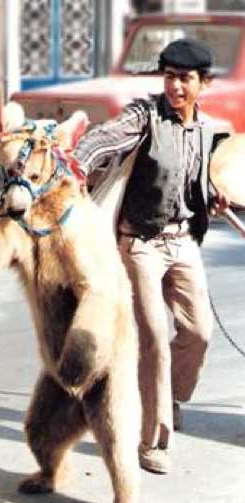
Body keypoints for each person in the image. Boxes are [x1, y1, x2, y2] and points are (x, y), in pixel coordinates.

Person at [73, 38, 229, 474]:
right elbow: (102, 142)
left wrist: (215, 200)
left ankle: (170, 398)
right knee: (154, 339)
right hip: (140, 244)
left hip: (183, 242)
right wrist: (74, 165)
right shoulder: (145, 116)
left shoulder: (209, 130)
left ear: (203, 83)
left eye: (186, 79)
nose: (177, 86)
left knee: (199, 331)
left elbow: (218, 181)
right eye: (171, 77)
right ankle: (153, 440)